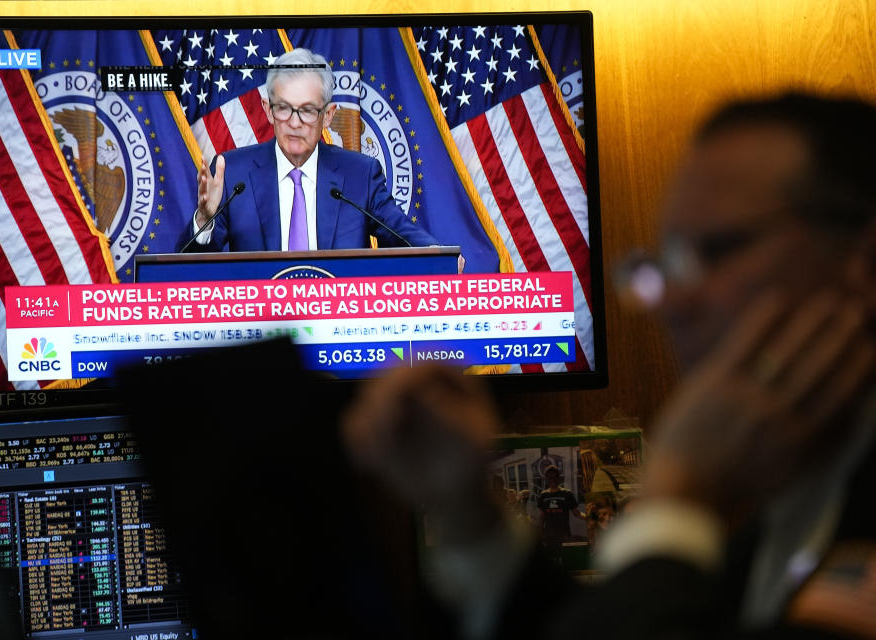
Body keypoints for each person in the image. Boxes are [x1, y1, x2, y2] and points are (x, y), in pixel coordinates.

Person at [343, 92, 876, 640]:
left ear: (865, 260)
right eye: (667, 261)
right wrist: (468, 516)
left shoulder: (730, 489)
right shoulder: (793, 487)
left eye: (714, 253)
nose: (671, 303)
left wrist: (674, 495)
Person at [178, 48, 441, 253]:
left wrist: (439, 256)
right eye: (283, 108)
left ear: (328, 115)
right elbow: (184, 272)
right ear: (268, 109)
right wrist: (203, 220)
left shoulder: (360, 175)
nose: (294, 122)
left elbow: (400, 232)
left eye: (306, 110)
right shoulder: (233, 174)